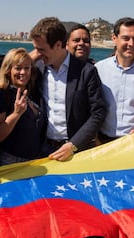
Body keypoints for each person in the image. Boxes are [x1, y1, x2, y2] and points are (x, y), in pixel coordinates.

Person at [30, 17, 106, 162]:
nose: (37, 54)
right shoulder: (38, 69)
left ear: (58, 45)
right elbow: (9, 76)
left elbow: (98, 113)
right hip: (44, 149)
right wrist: (29, 59)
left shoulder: (86, 72)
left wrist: (73, 145)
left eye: (41, 49)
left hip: (76, 151)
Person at [0, 48, 46, 166]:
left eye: (27, 68)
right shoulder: (1, 95)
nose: (23, 72)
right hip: (10, 163)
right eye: (18, 68)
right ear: (8, 70)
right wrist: (16, 114)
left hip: (34, 162)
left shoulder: (31, 94)